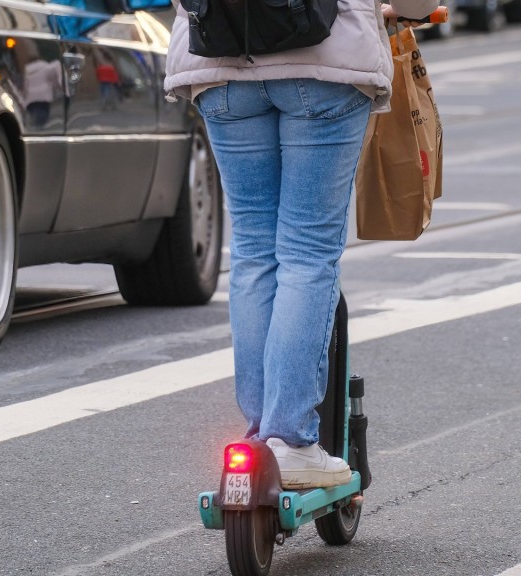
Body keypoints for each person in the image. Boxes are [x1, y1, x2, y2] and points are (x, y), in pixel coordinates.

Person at [165, 0, 439, 488]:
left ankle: (257, 437)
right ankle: (288, 440)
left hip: (220, 66)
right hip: (325, 66)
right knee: (307, 253)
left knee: (252, 253)